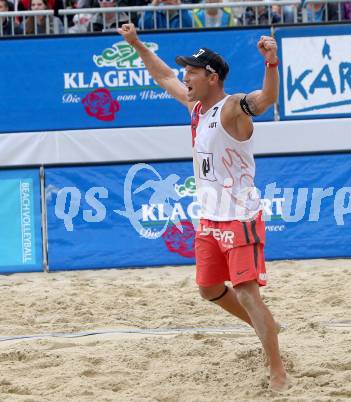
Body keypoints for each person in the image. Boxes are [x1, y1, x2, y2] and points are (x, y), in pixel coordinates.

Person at [117, 23, 289, 392]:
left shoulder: (231, 108)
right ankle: (267, 328)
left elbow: (265, 100)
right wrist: (136, 45)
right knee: (210, 288)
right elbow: (163, 75)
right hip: (210, 216)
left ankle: (278, 371)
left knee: (245, 291)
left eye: (192, 72)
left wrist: (271, 63)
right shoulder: (197, 107)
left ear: (211, 76)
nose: (185, 77)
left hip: (240, 216)